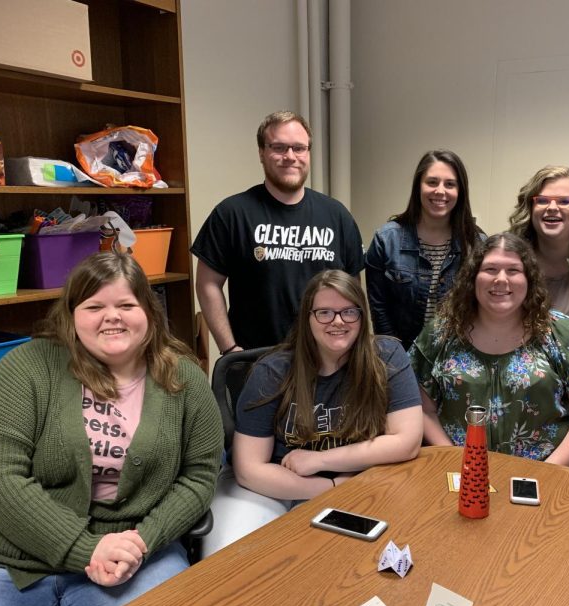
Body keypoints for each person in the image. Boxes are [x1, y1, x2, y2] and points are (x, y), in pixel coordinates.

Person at [0, 253, 221, 606]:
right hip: (4, 560)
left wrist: (144, 539)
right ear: (72, 315)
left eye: (126, 305)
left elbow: (200, 475)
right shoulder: (25, 368)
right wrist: (86, 548)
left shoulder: (184, 379)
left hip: (132, 557)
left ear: (149, 312)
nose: (111, 318)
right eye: (94, 306)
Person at [204, 270, 423, 551]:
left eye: (349, 312)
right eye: (324, 313)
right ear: (307, 318)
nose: (338, 321)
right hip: (274, 486)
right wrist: (327, 488)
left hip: (356, 478)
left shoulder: (388, 357)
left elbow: (406, 442)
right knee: (240, 556)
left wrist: (321, 461)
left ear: (362, 316)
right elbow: (249, 470)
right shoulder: (272, 371)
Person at [410, 232, 569, 464]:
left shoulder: (562, 333)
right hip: (461, 474)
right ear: (473, 277)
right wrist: (455, 460)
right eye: (490, 269)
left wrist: (547, 471)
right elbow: (422, 409)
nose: (501, 279)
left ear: (529, 279)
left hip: (546, 474)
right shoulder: (441, 333)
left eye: (513, 270)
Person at [191, 110, 364, 353]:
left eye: (299, 148)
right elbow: (208, 283)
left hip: (326, 360)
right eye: (279, 147)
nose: (290, 156)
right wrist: (229, 348)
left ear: (308, 153)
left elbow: (353, 288)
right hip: (257, 362)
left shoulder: (337, 215)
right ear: (262, 153)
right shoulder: (232, 214)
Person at [365, 150, 482, 349]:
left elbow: (480, 309)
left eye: (450, 184)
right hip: (401, 354)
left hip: (457, 356)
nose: (440, 191)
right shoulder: (386, 241)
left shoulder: (476, 243)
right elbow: (380, 311)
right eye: (432, 182)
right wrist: (396, 358)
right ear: (418, 186)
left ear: (460, 191)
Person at [508, 165, 569, 321]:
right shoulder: (509, 254)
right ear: (530, 208)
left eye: (564, 201)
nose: (552, 207)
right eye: (542, 200)